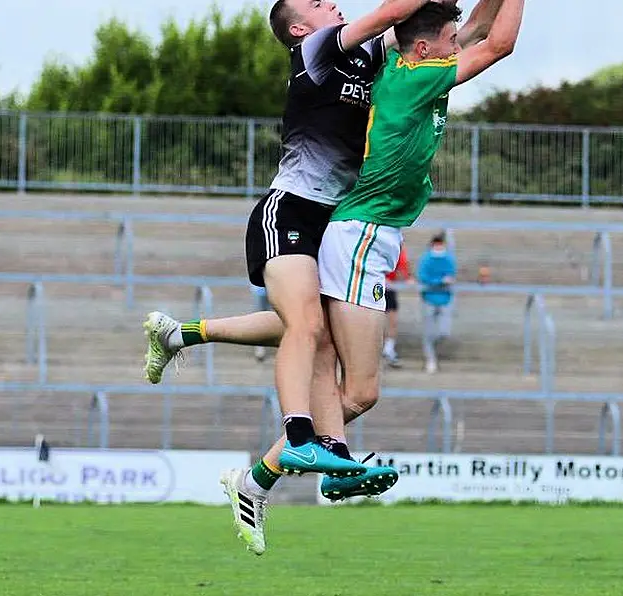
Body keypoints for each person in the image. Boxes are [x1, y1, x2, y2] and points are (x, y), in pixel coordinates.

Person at [142, 0, 505, 556]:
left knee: (312, 329)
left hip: (333, 217)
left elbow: (443, 35)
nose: (331, 3)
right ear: (298, 26)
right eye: (317, 3)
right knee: (308, 328)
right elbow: (398, 13)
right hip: (291, 210)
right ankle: (300, 438)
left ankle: (183, 337)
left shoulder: (369, 59)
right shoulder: (313, 49)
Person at [316, 0, 525, 460]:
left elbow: (478, 26)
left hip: (370, 233)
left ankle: (189, 333)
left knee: (312, 333)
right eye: (450, 44)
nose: (457, 47)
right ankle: (272, 467)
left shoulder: (416, 62)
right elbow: (499, 44)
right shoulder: (414, 79)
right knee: (359, 391)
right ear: (425, 48)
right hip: (360, 234)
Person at [417, 233, 457, 373]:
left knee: (444, 332)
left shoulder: (449, 258)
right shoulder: (426, 259)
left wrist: (445, 281)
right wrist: (439, 281)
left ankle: (433, 349)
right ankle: (430, 360)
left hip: (445, 298)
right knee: (428, 331)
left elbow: (452, 274)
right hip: (429, 297)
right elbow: (422, 276)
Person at [383, 243, 413, 367]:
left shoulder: (398, 246)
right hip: (373, 286)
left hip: (390, 288)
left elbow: (402, 266)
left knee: (392, 320)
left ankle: (388, 349)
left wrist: (407, 278)